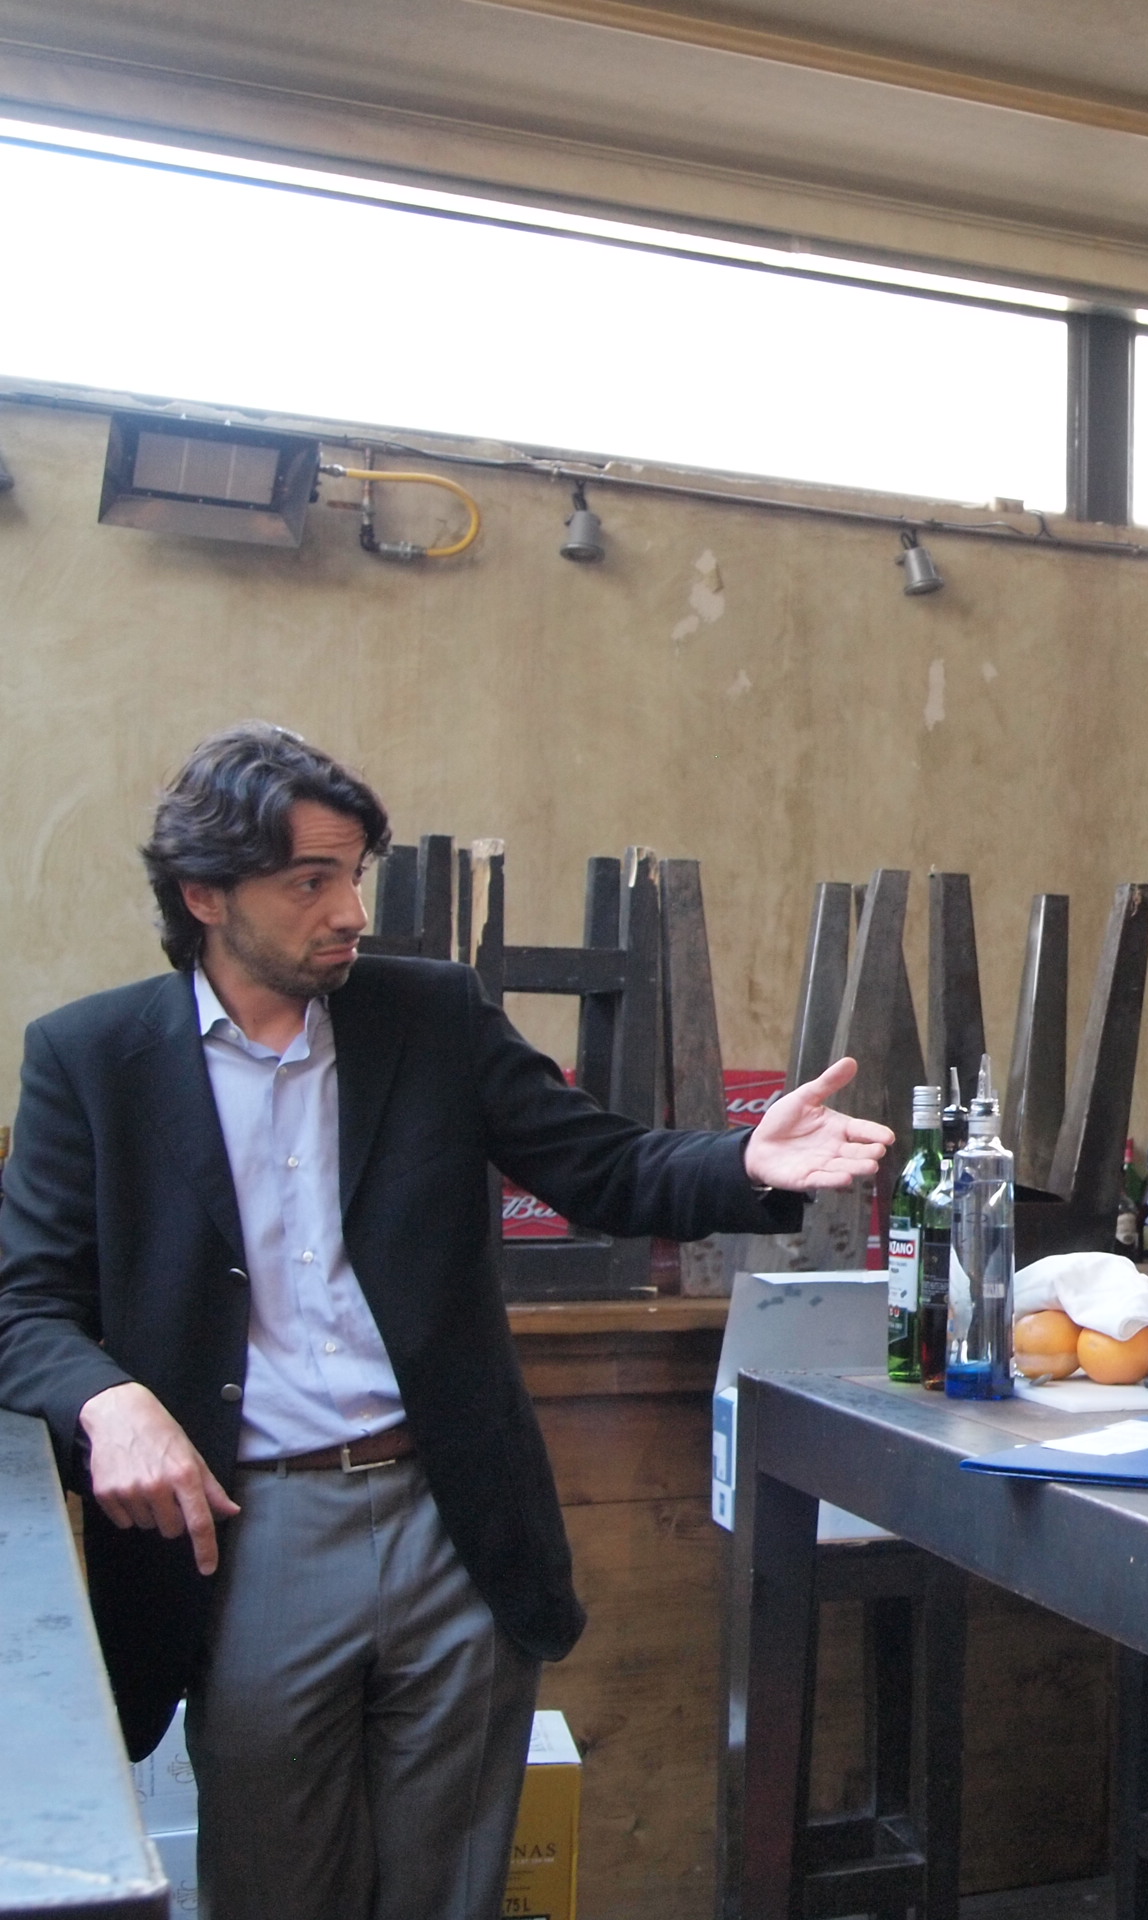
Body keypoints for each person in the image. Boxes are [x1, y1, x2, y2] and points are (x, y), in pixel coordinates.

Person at [0, 724, 894, 1920]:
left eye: (352, 874)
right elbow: (24, 1303)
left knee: (452, 1890)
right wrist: (109, 1402)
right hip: (252, 1533)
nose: (349, 912)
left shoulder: (425, 1016)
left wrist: (747, 1162)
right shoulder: (93, 1058)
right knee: (275, 1889)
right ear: (204, 895)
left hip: (451, 1517)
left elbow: (601, 1167)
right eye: (309, 881)